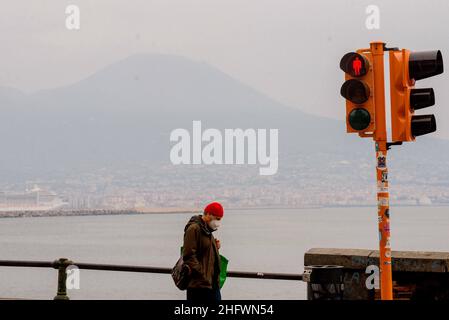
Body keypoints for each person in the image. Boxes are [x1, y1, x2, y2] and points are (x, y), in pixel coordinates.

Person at [182, 202, 224, 302]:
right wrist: (202, 276)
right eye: (217, 218)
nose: (218, 222)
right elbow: (189, 255)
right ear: (208, 214)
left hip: (212, 285)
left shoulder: (208, 230)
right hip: (199, 286)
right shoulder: (194, 229)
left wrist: (215, 247)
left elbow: (204, 252)